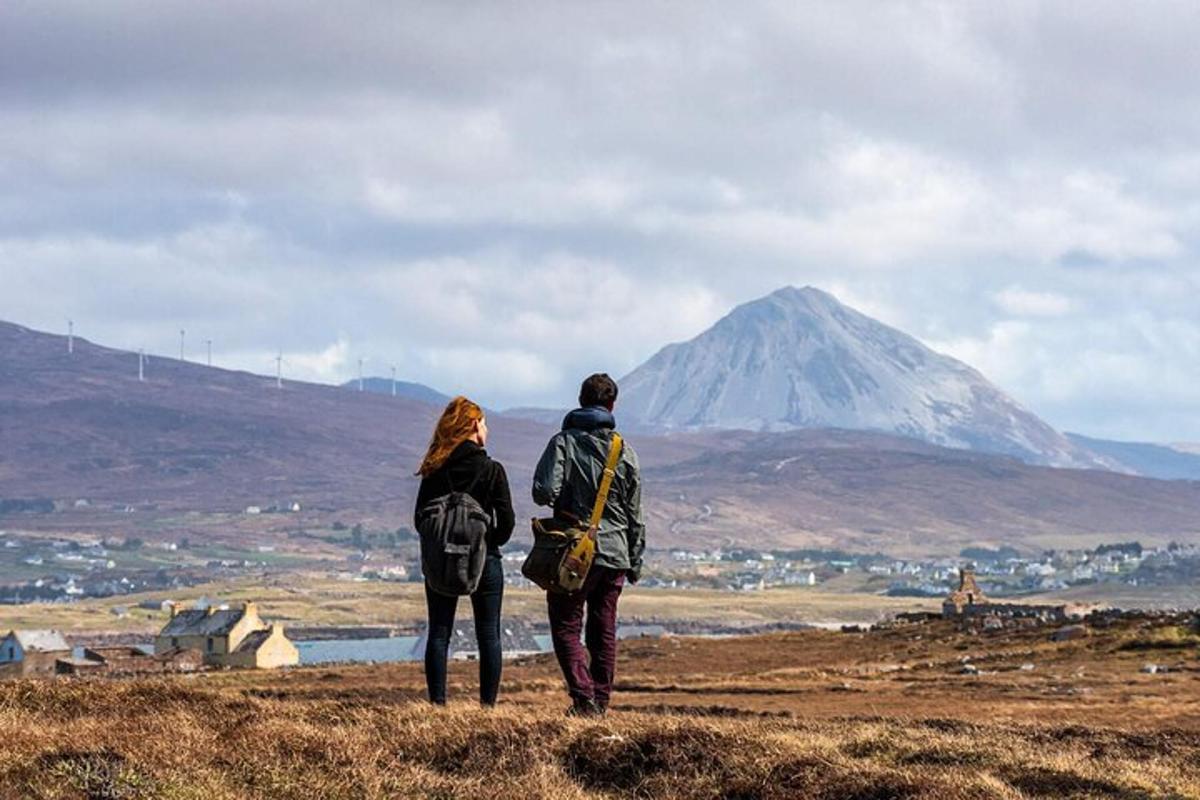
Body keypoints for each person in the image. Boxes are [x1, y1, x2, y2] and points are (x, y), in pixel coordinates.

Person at [532, 373, 645, 717]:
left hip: (574, 553)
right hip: (615, 555)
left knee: (566, 624)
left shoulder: (563, 442)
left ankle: (584, 701)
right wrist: (635, 559)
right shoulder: (623, 450)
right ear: (612, 405)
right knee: (604, 627)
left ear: (580, 401)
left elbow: (542, 492)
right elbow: (634, 512)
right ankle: (601, 700)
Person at [415, 396, 514, 706]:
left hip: (441, 560)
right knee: (489, 635)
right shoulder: (492, 469)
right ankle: (487, 707)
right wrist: (487, 542)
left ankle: (438, 705)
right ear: (474, 425)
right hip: (485, 560)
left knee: (439, 633)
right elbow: (507, 522)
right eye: (484, 423)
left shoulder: (433, 469)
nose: (487, 429)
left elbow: (421, 518)